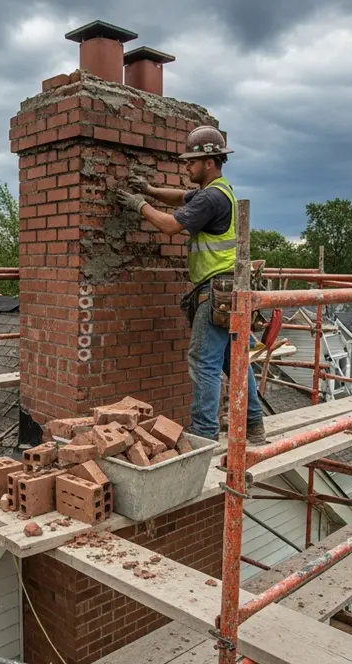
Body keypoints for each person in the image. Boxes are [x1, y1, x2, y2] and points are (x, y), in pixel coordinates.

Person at [115, 125, 265, 442]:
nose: (186, 167)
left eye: (190, 162)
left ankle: (204, 435)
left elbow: (170, 226)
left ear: (208, 162)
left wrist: (138, 205)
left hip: (217, 291)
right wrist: (151, 190)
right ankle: (254, 424)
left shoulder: (210, 198)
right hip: (231, 289)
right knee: (233, 360)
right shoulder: (219, 191)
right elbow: (181, 197)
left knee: (203, 362)